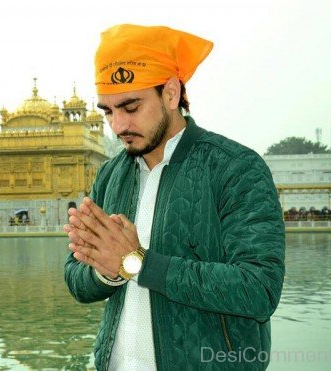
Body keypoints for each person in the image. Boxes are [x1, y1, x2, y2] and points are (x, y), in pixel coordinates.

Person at [63, 24, 285, 370]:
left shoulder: (233, 168)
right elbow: (75, 278)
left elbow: (259, 289)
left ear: (170, 93)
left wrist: (138, 263)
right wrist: (106, 273)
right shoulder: (111, 175)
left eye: (131, 107)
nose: (118, 126)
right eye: (108, 112)